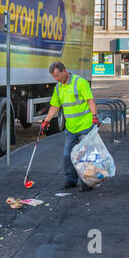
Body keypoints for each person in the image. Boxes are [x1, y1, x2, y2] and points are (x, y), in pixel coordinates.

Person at [42, 61, 101, 192]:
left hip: (85, 126)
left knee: (85, 156)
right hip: (71, 127)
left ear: (64, 71)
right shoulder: (58, 87)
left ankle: (87, 182)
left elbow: (90, 99)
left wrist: (95, 116)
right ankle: (71, 180)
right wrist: (46, 120)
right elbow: (55, 105)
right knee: (67, 155)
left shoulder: (80, 82)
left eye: (57, 76)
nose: (56, 79)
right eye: (54, 77)